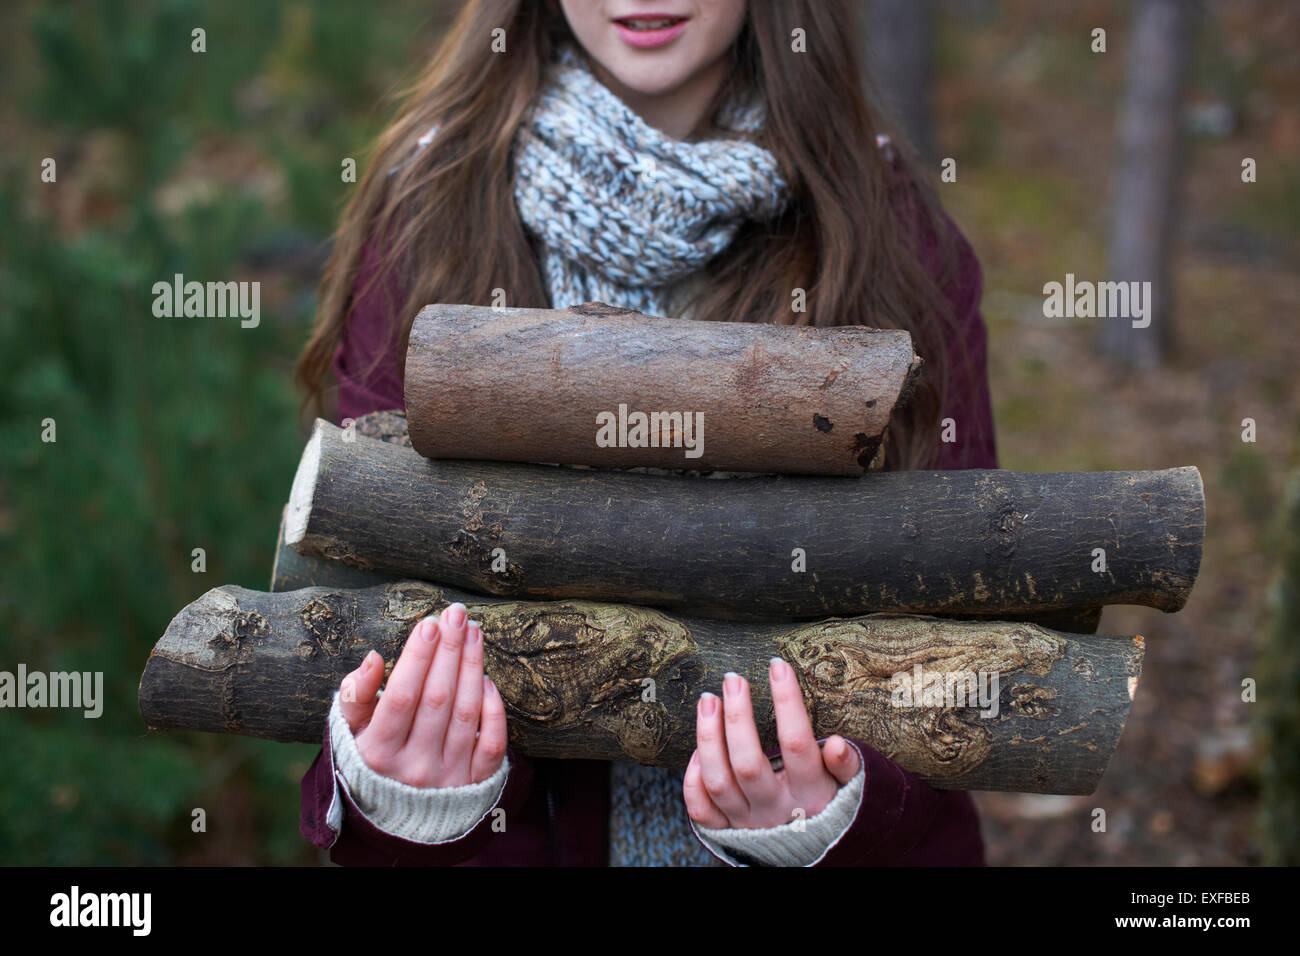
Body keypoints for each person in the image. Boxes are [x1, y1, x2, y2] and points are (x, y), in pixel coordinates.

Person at [295, 0, 996, 866]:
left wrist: (842, 807)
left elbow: (961, 623)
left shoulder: (888, 224)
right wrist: (422, 805)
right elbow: (367, 625)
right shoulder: (430, 209)